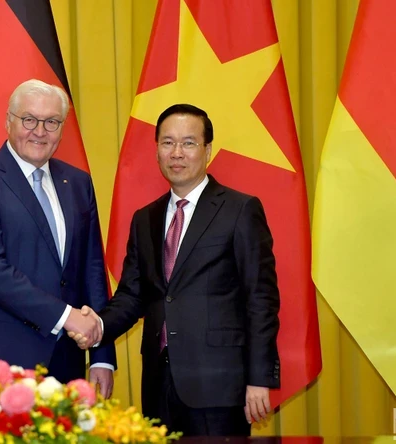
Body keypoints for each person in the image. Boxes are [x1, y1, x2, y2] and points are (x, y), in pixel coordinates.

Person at [71, 104, 280, 436]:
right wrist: (96, 324)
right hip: (159, 384)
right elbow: (131, 296)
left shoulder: (240, 209)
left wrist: (259, 378)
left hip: (220, 386)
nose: (177, 153)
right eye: (167, 143)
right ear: (156, 151)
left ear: (208, 150)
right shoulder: (145, 219)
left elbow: (261, 300)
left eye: (188, 143)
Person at [0, 79, 115, 397]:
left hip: (65, 363)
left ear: (62, 129)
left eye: (51, 122)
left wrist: (102, 357)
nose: (39, 131)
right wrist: (67, 317)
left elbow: (92, 271)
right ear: (9, 122)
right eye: (29, 119)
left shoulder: (78, 184)